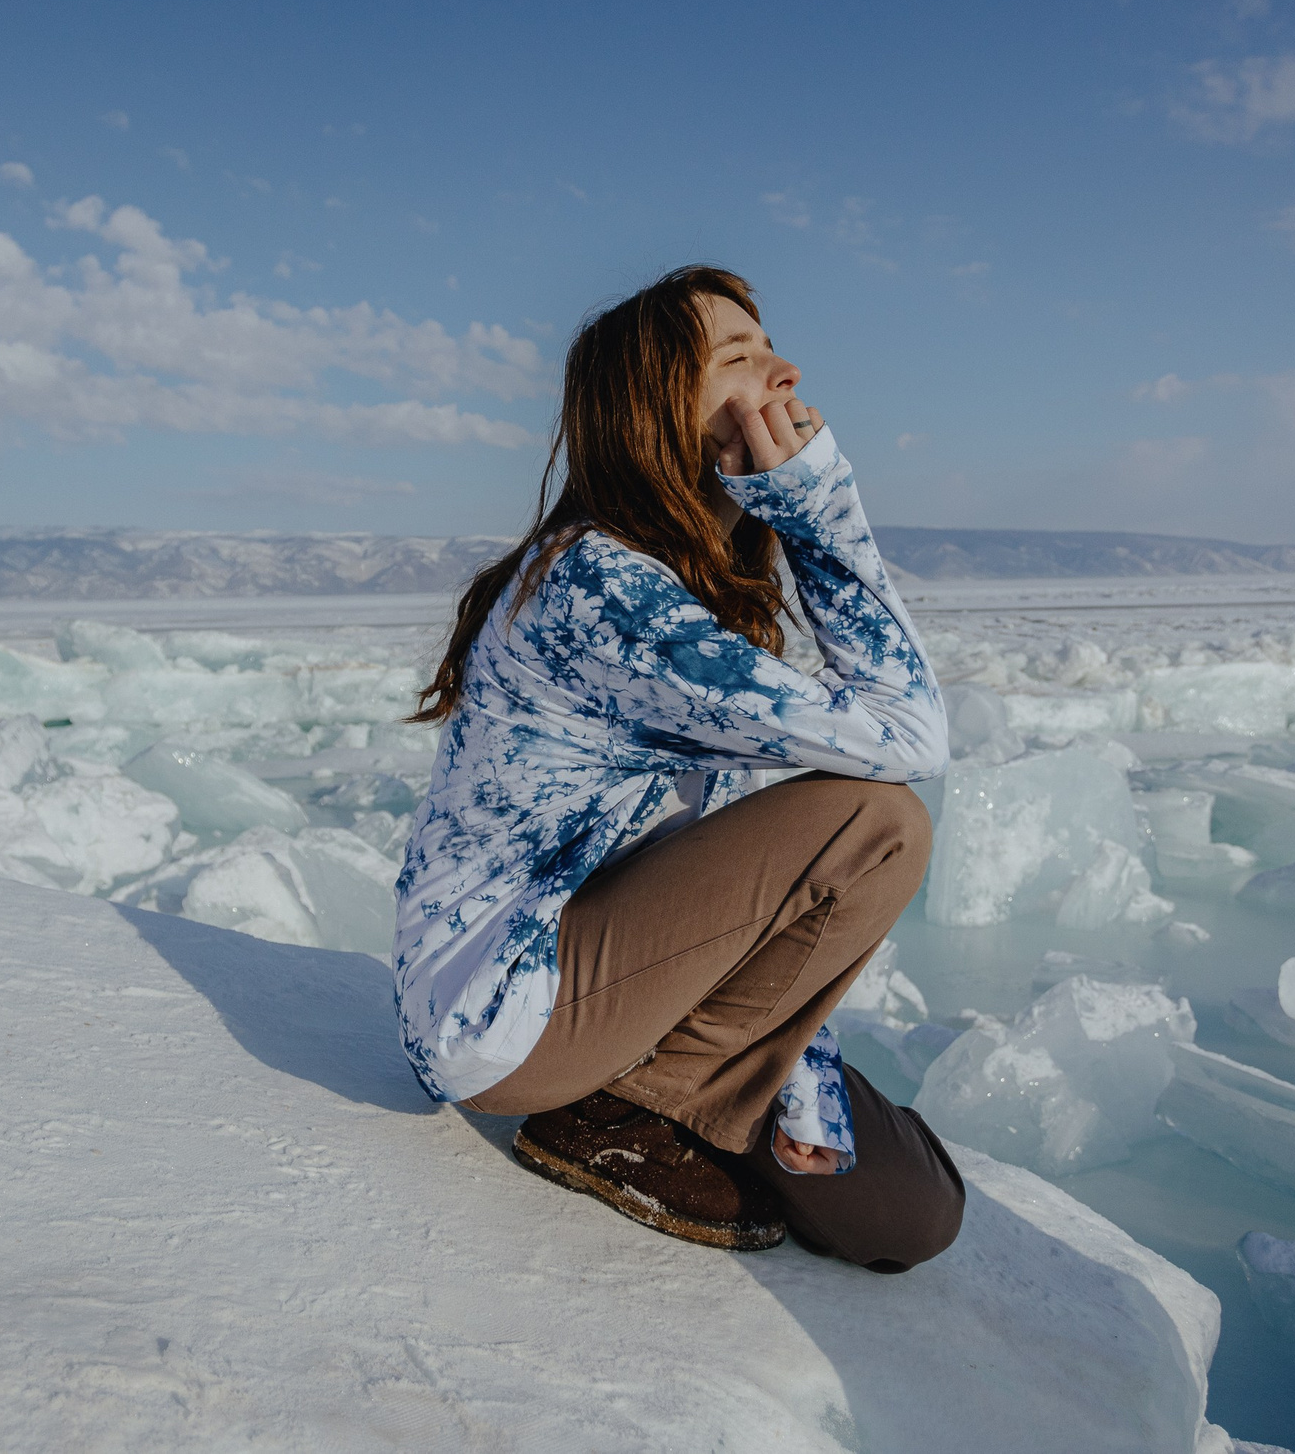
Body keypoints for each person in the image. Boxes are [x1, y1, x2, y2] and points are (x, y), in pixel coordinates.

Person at [394, 265, 965, 1272]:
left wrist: (803, 1083)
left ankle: (682, 1099)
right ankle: (625, 1112)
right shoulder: (600, 592)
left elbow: (761, 890)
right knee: (881, 821)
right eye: (738, 358)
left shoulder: (687, 593)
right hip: (517, 1007)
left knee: (906, 1213)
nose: (785, 370)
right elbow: (907, 740)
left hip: (637, 975)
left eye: (770, 344)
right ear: (655, 410)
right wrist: (816, 508)